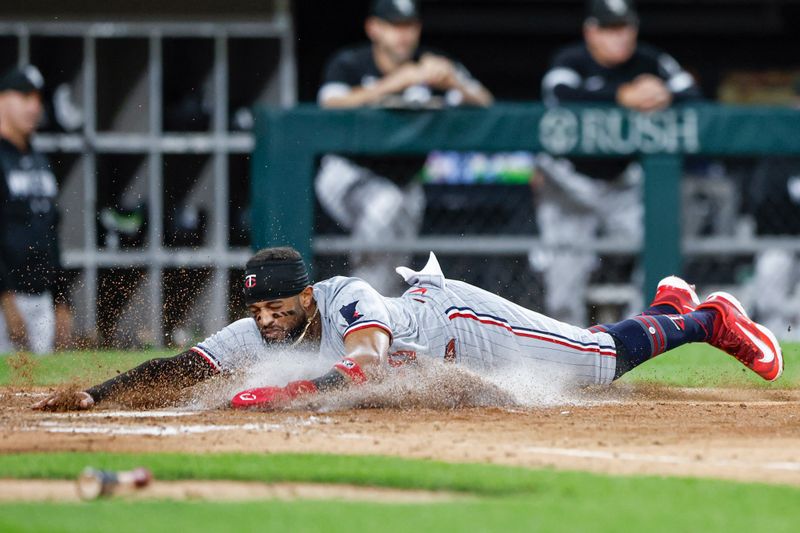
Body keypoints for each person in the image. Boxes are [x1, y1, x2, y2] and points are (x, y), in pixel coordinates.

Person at [33, 246, 782, 411]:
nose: (266, 319)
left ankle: (704, 318)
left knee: (592, 361)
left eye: (278, 306)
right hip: (447, 342)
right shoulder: (258, 330)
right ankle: (666, 305)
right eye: (257, 307)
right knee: (590, 353)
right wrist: (100, 396)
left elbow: (364, 366)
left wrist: (282, 396)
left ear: (306, 297)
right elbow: (184, 366)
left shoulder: (349, 297)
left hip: (465, 322)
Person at [531, 0, 702, 325]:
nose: (620, 36)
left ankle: (641, 334)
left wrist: (663, 94)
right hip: (569, 183)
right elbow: (558, 93)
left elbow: (690, 90)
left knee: (660, 249)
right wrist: (620, 95)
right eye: (610, 29)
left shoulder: (649, 60)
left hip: (623, 184)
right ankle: (567, 349)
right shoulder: (572, 60)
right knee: (564, 283)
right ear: (591, 32)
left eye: (625, 27)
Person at [315, 0, 493, 294]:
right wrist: (395, 83)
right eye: (394, 26)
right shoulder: (350, 63)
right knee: (384, 207)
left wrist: (453, 82)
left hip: (406, 178)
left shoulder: (431, 63)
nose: (403, 34)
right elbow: (330, 103)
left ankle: (379, 314)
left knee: (399, 260)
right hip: (349, 171)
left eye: (409, 26)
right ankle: (361, 308)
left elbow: (484, 101)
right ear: (374, 28)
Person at [0, 65, 72, 354]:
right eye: (25, 97)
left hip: (41, 297)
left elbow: (50, 233)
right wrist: (5, 297)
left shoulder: (40, 158)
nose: (34, 107)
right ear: (2, 99)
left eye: (38, 99)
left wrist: (62, 299)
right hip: (6, 298)